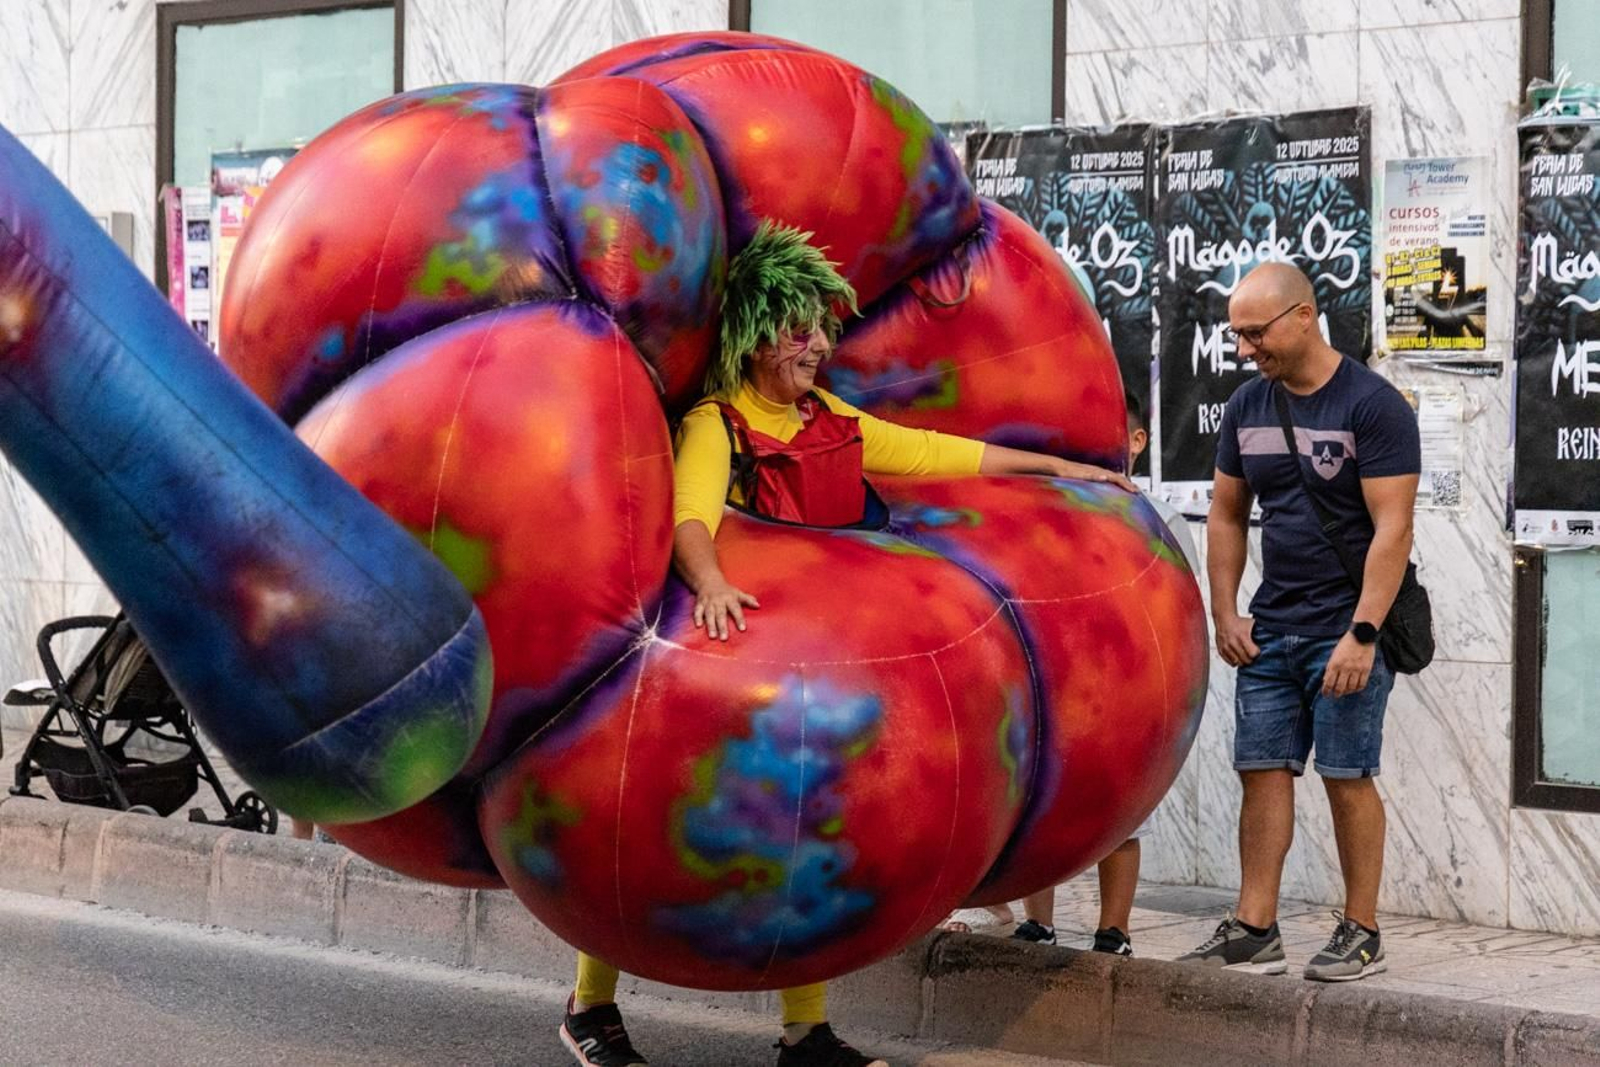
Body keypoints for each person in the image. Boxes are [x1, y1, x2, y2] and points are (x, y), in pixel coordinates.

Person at [559, 220, 1134, 1067]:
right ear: (757, 336)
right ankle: (590, 1007)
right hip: (728, 658)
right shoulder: (719, 424)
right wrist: (714, 581)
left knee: (813, 829)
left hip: (822, 666)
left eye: (823, 328)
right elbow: (690, 513)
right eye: (800, 329)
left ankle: (805, 1031)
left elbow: (946, 453)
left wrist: (1064, 470)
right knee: (645, 824)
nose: (818, 345)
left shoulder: (834, 418)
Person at [1175, 262, 1419, 983]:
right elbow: (1226, 512)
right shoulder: (1248, 406)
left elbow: (1393, 527)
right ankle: (1254, 927)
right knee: (1262, 771)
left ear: (1305, 316)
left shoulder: (1373, 406)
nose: (1247, 348)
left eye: (1257, 332)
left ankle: (1363, 929)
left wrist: (1365, 632)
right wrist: (1225, 609)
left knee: (1347, 775)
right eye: (1238, 335)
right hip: (1272, 629)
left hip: (1346, 632)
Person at [950, 392, 1199, 958]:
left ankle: (1115, 929)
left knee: (1125, 815)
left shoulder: (1157, 521)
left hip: (1130, 687)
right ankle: (1040, 922)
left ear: (1137, 442)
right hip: (1065, 682)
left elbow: (1179, 609)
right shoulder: (1049, 516)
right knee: (1045, 809)